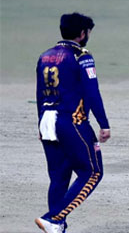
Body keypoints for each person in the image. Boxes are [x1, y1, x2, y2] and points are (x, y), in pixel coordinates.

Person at [35, 13, 110, 233]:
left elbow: (40, 93)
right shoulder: (81, 56)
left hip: (47, 120)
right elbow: (92, 92)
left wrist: (39, 123)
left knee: (59, 177)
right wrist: (104, 124)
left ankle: (56, 227)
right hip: (72, 121)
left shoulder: (45, 55)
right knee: (93, 172)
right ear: (82, 34)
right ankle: (54, 218)